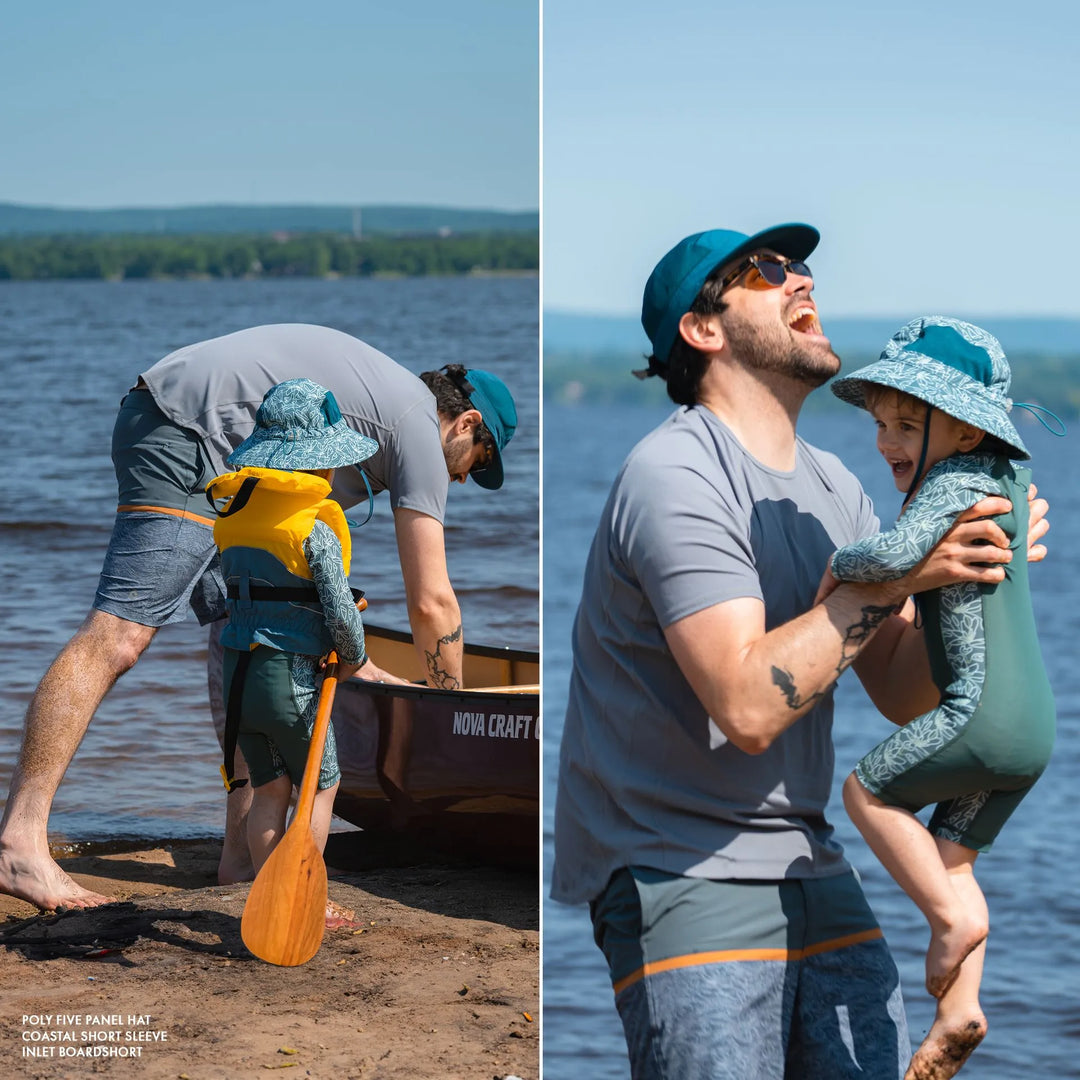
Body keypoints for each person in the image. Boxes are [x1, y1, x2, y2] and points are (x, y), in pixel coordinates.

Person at [550, 225, 1048, 1080]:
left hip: (809, 861)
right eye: (766, 270)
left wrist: (968, 576)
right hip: (679, 869)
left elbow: (899, 690)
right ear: (704, 330)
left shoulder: (836, 488)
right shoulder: (676, 475)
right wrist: (897, 578)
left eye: (803, 266)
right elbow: (747, 707)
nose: (800, 279)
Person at [0, 323, 518, 913]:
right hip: (187, 429)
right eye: (474, 464)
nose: (460, 480)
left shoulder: (360, 438)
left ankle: (240, 858)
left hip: (172, 412)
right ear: (466, 424)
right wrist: (442, 714)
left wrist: (359, 661)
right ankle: (20, 841)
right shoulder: (420, 427)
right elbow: (433, 602)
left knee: (241, 623)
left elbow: (278, 597)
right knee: (118, 635)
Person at [824, 317, 1058, 1078]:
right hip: (1036, 732)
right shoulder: (1012, 485)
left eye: (907, 424)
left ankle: (948, 923)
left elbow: (891, 555)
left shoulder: (951, 482)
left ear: (961, 431)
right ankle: (959, 1011)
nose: (888, 440)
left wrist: (834, 560)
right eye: (881, 423)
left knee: (867, 793)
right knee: (950, 859)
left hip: (978, 715)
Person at [208, 377, 385, 927]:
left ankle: (267, 890)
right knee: (319, 788)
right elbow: (337, 609)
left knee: (270, 790)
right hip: (293, 683)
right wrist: (352, 653)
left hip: (240, 676)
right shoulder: (314, 527)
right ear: (323, 466)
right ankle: (305, 894)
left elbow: (221, 593)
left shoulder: (233, 518)